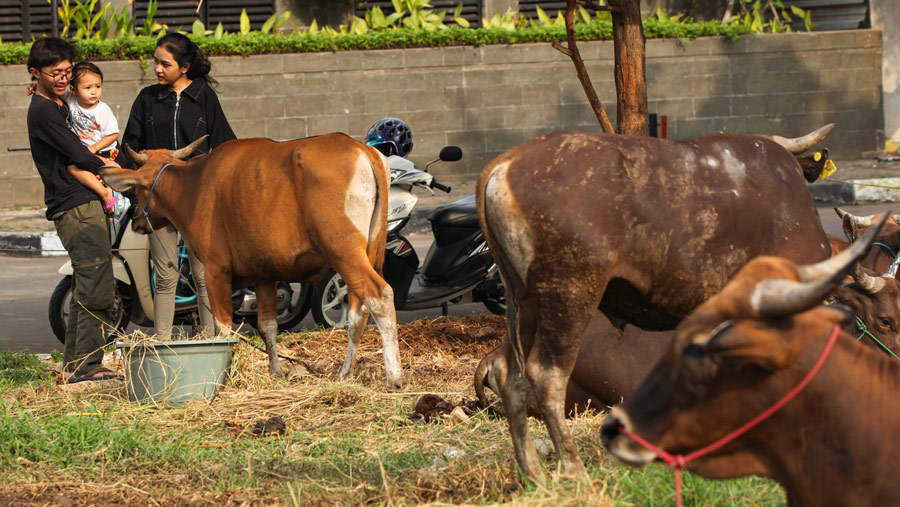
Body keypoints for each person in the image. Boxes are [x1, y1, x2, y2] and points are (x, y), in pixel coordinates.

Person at [122, 32, 236, 339]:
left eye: (164, 63)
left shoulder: (204, 97)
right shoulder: (146, 98)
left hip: (199, 202)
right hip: (159, 202)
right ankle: (161, 343)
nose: (157, 68)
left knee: (203, 274)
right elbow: (129, 148)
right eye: (155, 62)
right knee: (165, 274)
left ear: (184, 67)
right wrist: (133, 191)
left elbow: (226, 145)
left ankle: (212, 339)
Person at [26, 38, 122, 382]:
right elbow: (77, 154)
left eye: (67, 72)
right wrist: (116, 173)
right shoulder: (43, 111)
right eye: (55, 74)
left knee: (88, 284)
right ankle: (87, 366)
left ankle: (77, 364)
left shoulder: (55, 102)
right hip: (74, 204)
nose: (64, 79)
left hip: (80, 200)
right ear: (35, 73)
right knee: (97, 285)